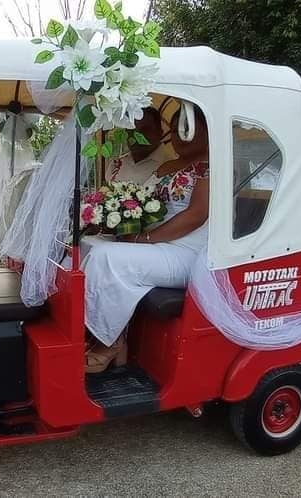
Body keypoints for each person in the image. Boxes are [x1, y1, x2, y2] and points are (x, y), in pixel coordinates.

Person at [82, 104, 210, 373]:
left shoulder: (212, 168)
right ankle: (108, 335)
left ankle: (110, 342)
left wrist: (144, 238)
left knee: (106, 257)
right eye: (174, 129)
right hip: (160, 244)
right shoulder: (168, 165)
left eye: (186, 128)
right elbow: (147, 203)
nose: (178, 135)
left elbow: (195, 216)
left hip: (189, 252)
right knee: (88, 245)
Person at [104, 107, 176, 185]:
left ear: (159, 133)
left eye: (145, 130)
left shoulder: (172, 168)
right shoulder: (116, 165)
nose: (137, 136)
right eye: (132, 130)